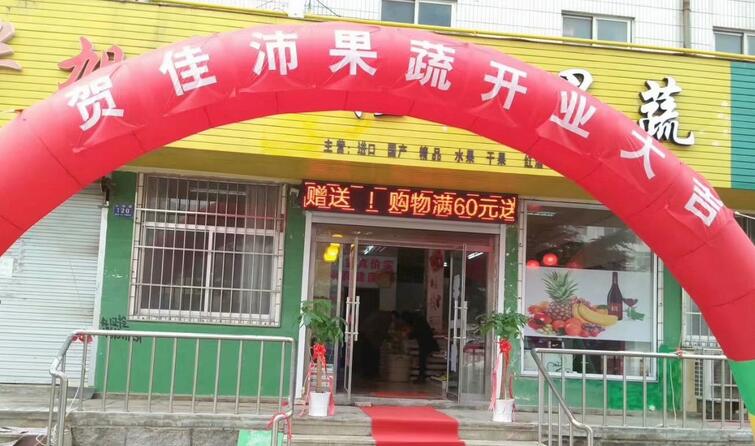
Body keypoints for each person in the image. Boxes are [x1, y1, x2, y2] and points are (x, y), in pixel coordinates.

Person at [400, 311, 439, 383]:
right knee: (422, 360)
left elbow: (416, 333)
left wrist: (408, 335)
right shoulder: (419, 320)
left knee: (422, 360)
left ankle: (421, 377)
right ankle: (421, 377)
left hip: (425, 343)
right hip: (427, 342)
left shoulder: (417, 322)